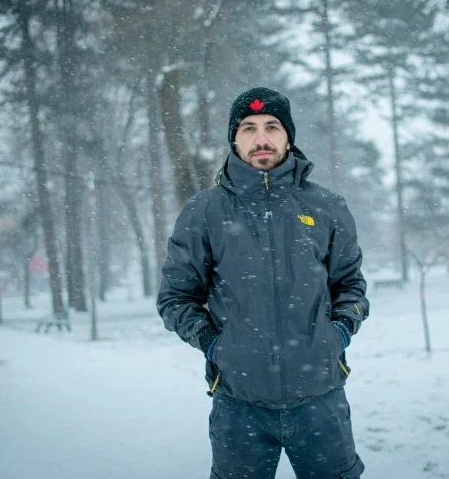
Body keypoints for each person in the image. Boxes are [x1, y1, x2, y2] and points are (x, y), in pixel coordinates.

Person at [157, 87, 369, 479]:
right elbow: (176, 298)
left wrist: (336, 335)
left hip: (319, 399)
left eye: (272, 126)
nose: (261, 138)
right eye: (248, 128)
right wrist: (215, 345)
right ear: (234, 139)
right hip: (239, 405)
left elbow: (351, 287)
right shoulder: (204, 211)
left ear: (288, 136)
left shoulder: (327, 207)